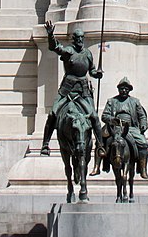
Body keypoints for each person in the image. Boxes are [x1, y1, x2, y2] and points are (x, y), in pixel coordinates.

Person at [40, 21, 104, 156]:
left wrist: (96, 74)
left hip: (84, 91)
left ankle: (100, 145)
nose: (80, 40)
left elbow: (91, 70)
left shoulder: (88, 53)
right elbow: (55, 48)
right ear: (74, 39)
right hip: (67, 90)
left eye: (82, 38)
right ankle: (45, 144)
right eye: (77, 38)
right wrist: (51, 35)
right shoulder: (69, 51)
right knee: (53, 114)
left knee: (94, 116)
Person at [97, 77, 148, 179]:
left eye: (126, 89)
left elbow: (142, 116)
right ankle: (97, 166)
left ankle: (143, 169)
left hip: (130, 128)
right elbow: (104, 116)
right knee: (100, 142)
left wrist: (143, 125)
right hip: (115, 128)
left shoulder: (135, 102)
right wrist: (112, 120)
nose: (124, 90)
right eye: (122, 89)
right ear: (118, 89)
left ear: (129, 90)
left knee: (143, 143)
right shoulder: (111, 101)